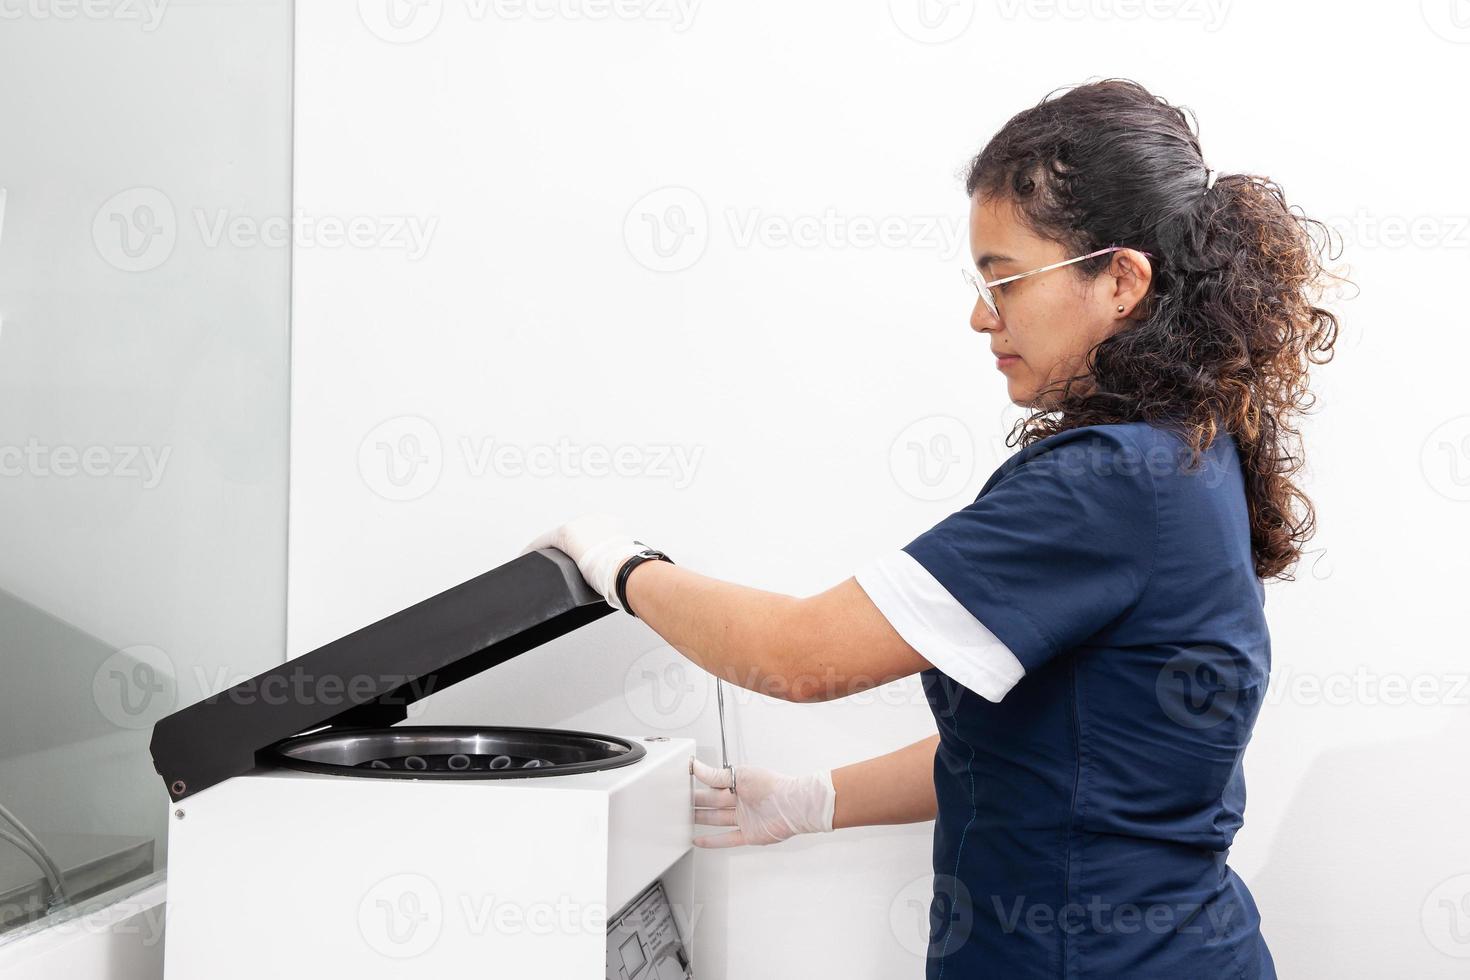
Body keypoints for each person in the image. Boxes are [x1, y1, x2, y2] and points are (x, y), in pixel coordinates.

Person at [527, 78, 1341, 978]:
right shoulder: (1186, 452)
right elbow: (1046, 748)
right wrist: (808, 801)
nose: (980, 315)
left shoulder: (1111, 483)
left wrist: (616, 563)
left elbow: (798, 657)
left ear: (1120, 280)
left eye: (1005, 281)